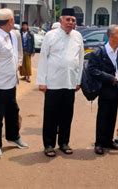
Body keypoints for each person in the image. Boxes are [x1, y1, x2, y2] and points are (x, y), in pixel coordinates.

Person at [37, 8, 84, 157]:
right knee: (51, 115)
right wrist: (41, 81)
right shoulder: (50, 36)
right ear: (61, 20)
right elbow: (43, 58)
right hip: (52, 83)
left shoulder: (78, 36)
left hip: (70, 83)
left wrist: (78, 80)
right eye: (68, 19)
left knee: (66, 115)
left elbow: (81, 59)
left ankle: (64, 142)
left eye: (73, 20)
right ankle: (49, 144)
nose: (70, 22)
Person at [0, 8, 28, 159]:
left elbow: (16, 54)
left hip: (10, 83)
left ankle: (13, 136)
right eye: (13, 19)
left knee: (13, 111)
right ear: (10, 21)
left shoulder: (11, 35)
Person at [88, 25, 118, 155]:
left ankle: (108, 141)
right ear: (111, 36)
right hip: (104, 89)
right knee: (103, 116)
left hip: (116, 89)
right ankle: (99, 143)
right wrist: (108, 77)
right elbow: (92, 70)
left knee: (112, 116)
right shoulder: (99, 52)